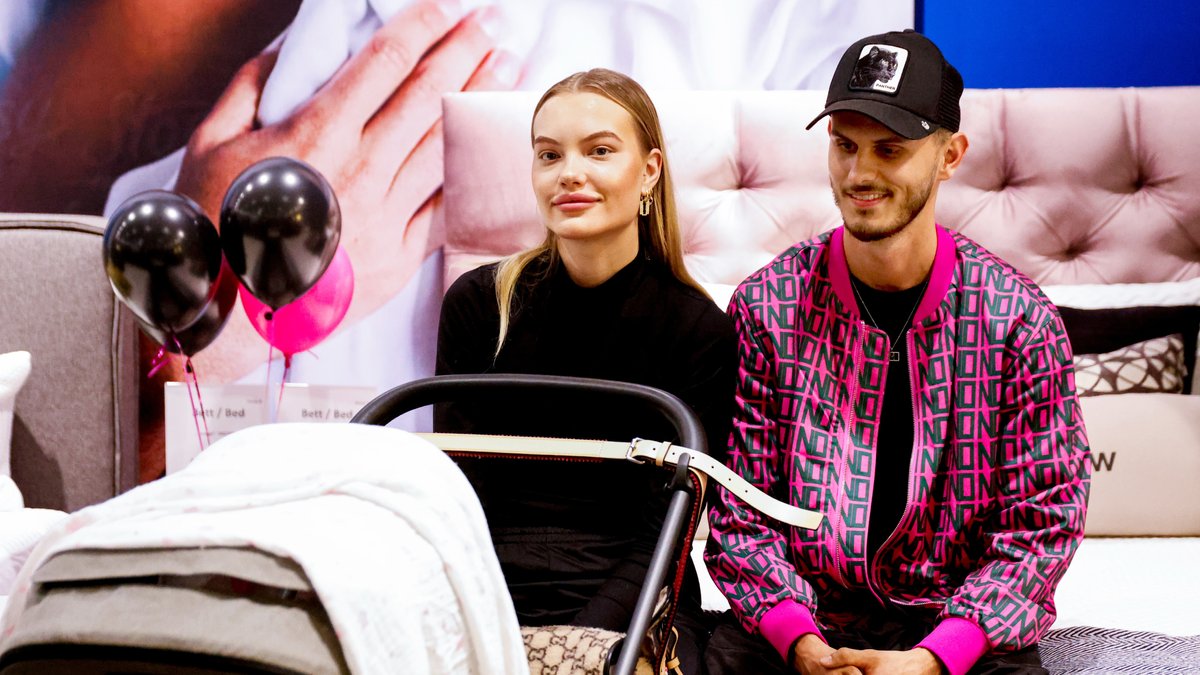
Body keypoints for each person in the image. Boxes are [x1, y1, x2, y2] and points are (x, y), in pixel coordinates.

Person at [704, 30, 1090, 675]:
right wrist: (799, 641)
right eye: (844, 145)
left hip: (957, 631)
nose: (860, 173)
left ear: (950, 155)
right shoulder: (767, 307)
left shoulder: (1016, 320)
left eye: (891, 149)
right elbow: (740, 514)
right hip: (802, 626)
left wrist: (937, 657)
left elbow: (1042, 524)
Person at [435, 68, 736, 674]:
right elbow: (454, 494)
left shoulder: (698, 330)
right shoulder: (477, 305)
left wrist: (586, 643)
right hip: (485, 584)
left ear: (649, 170)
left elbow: (666, 529)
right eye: (549, 155)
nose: (569, 172)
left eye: (599, 151)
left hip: (629, 588)